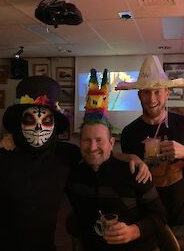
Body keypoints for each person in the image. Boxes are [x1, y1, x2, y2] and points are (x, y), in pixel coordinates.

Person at [0, 76, 149, 251]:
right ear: (19, 122)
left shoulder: (66, 154)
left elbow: (96, 154)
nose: (38, 127)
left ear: (55, 125)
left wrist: (130, 157)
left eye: (47, 120)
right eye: (30, 119)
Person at [116, 55, 184, 251]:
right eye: (146, 92)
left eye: (157, 91)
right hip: (150, 223)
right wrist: (126, 157)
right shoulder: (130, 133)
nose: (152, 99)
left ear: (167, 93)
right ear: (139, 94)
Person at [66, 71, 166, 251]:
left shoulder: (134, 171)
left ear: (112, 143)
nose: (92, 147)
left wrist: (134, 231)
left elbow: (159, 216)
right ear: (79, 143)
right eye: (86, 140)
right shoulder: (74, 175)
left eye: (99, 140)